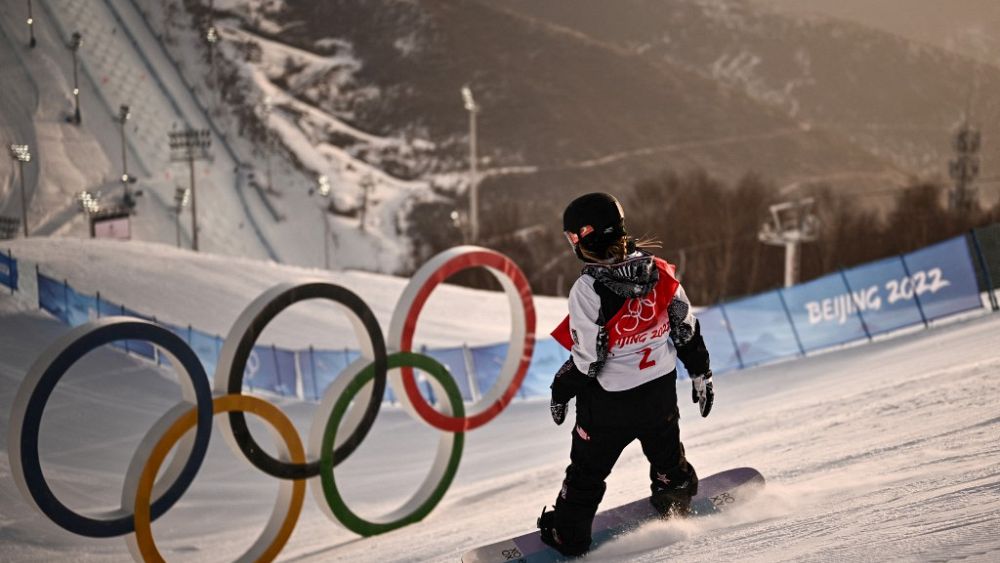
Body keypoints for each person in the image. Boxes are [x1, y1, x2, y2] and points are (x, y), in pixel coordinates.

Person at [537, 192, 715, 557]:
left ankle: (568, 536)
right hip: (659, 394)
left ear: (583, 238)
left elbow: (588, 360)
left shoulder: (588, 290)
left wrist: (560, 389)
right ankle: (674, 502)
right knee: (667, 458)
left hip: (609, 405)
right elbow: (685, 328)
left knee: (586, 473)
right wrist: (701, 371)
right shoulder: (661, 272)